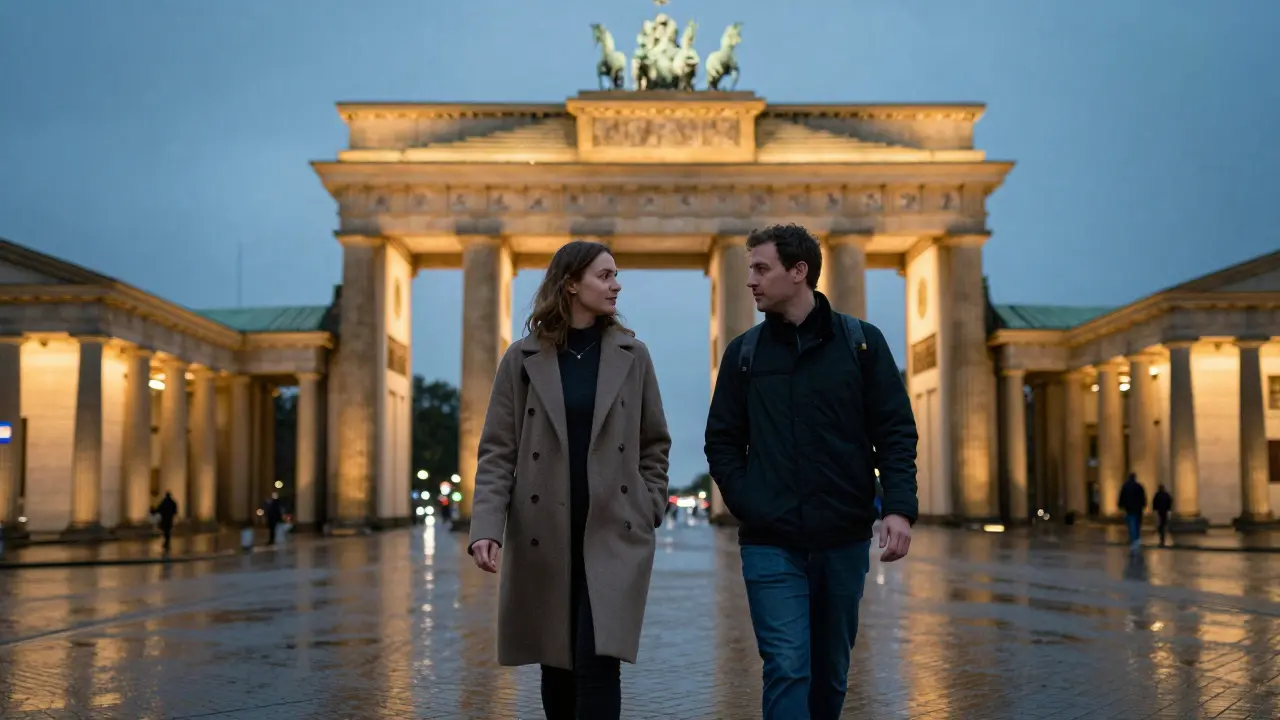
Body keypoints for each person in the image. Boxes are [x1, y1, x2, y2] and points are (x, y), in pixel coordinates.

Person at [704, 224, 919, 720]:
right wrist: (750, 501)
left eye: (762, 269)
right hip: (770, 542)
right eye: (749, 269)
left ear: (799, 272)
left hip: (842, 539)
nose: (751, 281)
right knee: (786, 664)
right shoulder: (744, 353)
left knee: (829, 672)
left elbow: (894, 431)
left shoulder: (862, 344)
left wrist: (899, 509)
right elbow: (721, 440)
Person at [468, 240, 672, 720]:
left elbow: (654, 443)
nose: (616, 284)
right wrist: (485, 527)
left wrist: (648, 506)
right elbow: (498, 451)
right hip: (544, 534)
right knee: (557, 668)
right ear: (571, 284)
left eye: (616, 274)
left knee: (599, 663)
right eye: (605, 276)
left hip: (613, 531)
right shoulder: (522, 360)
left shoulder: (633, 355)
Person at [1118, 472, 1148, 550]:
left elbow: (1122, 496)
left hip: (1129, 508)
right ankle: (1137, 538)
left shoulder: (1125, 486)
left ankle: (1133, 539)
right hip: (1138, 508)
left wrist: (1121, 505)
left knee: (1131, 523)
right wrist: (1143, 505)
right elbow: (1143, 497)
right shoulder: (1139, 486)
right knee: (1137, 523)